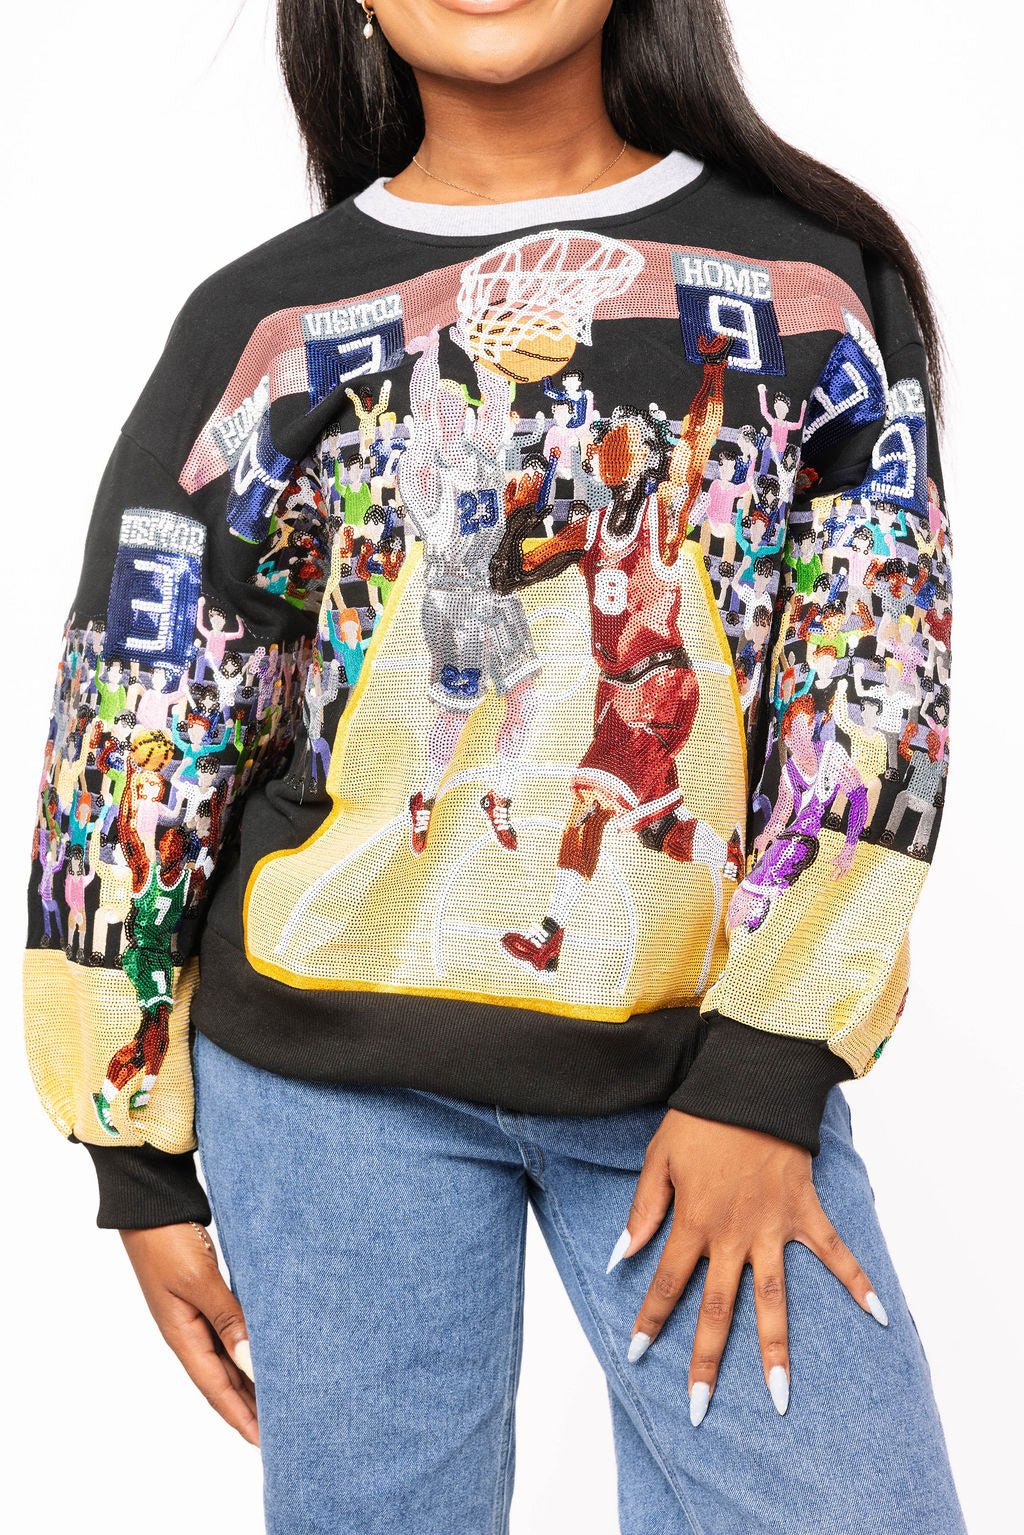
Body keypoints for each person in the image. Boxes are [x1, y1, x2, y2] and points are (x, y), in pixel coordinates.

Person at [23, 2, 966, 1532]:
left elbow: (878, 692)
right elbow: (139, 716)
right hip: (323, 1083)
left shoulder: (810, 284)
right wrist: (127, 1140)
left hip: (694, 1067)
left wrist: (769, 1067)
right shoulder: (267, 324)